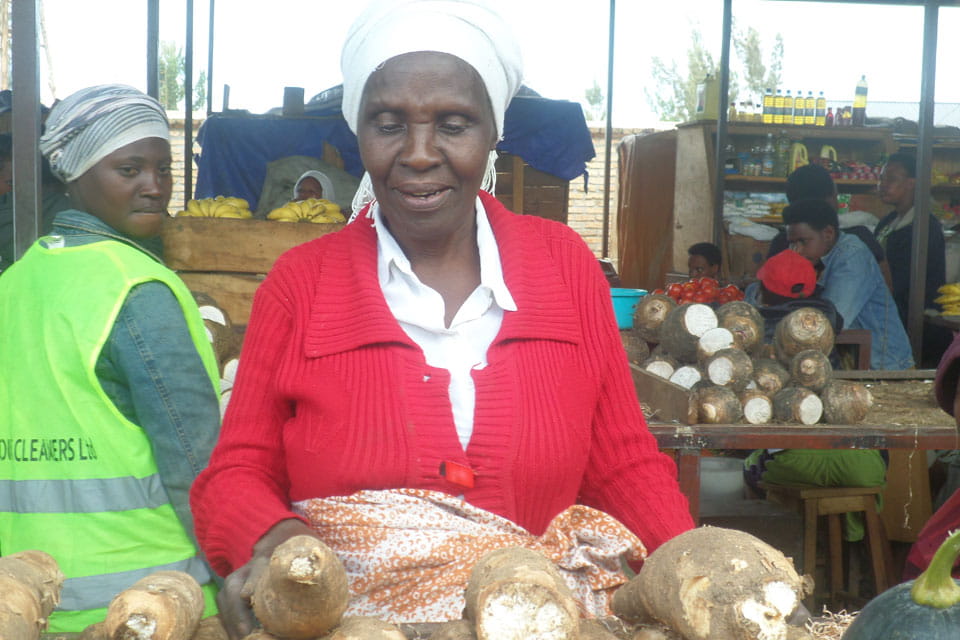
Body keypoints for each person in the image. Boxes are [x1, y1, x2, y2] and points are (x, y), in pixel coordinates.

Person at [190, 2, 693, 638]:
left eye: (453, 124)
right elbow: (234, 474)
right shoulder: (301, 285)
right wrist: (277, 545)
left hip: (534, 622)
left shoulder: (563, 267)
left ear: (492, 132)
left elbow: (623, 463)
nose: (420, 154)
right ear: (359, 130)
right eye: (388, 123)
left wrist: (699, 570)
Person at [0, 84, 221, 632]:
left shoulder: (14, 283)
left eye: (164, 169)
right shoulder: (136, 289)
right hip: (148, 605)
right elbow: (195, 460)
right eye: (130, 170)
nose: (155, 187)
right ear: (73, 175)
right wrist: (237, 564)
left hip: (27, 603)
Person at [784, 198, 913, 370]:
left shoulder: (852, 257)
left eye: (803, 241)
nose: (796, 251)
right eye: (792, 243)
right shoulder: (817, 259)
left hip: (884, 368)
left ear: (828, 233)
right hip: (855, 363)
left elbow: (829, 322)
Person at [875, 152, 949, 367]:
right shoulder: (888, 222)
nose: (883, 185)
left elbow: (904, 282)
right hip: (890, 314)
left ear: (912, 183)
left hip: (917, 322)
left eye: (891, 179)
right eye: (881, 178)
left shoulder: (925, 227)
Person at [767, 163, 893, 290]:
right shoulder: (862, 238)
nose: (797, 251)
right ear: (831, 198)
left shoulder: (781, 243)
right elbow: (888, 285)